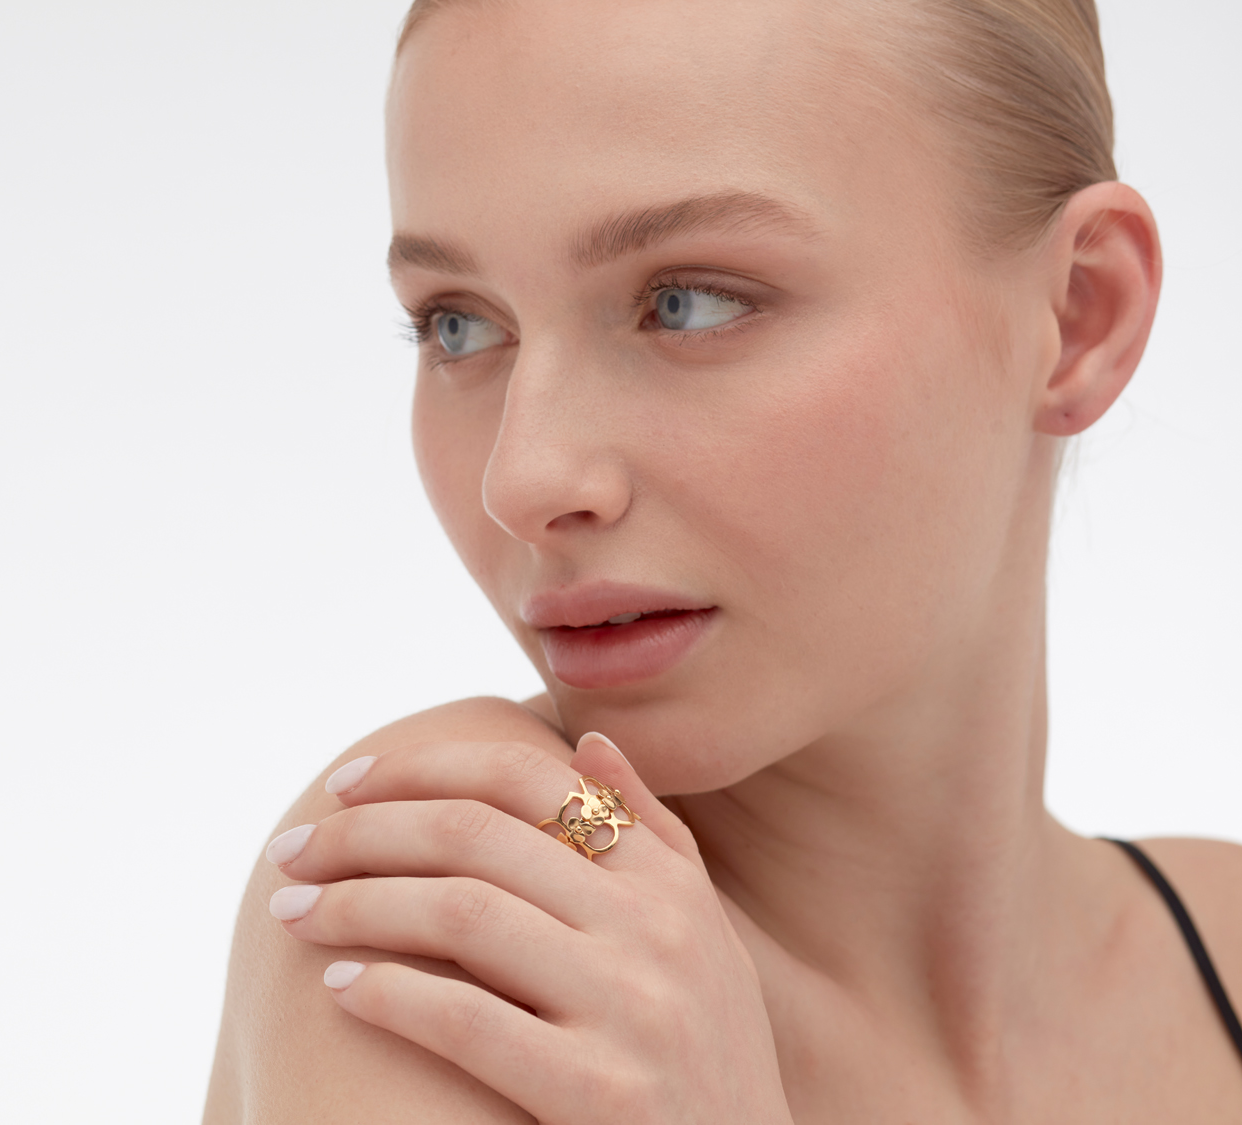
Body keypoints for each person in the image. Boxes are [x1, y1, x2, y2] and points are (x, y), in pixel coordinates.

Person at [203, 0, 1242, 1119]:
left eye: (686, 304)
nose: (524, 478)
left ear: (1079, 315)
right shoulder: (466, 907)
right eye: (456, 322)